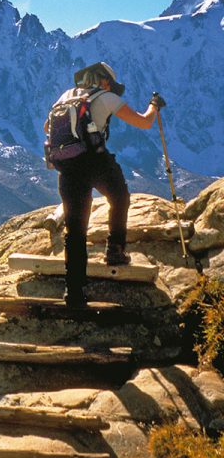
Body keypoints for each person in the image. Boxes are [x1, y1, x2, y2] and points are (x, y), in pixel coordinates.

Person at [46, 62, 165, 307]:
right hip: (95, 163)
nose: (110, 86)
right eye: (109, 83)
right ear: (104, 81)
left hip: (67, 169)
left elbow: (47, 128)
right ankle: (115, 250)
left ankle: (74, 293)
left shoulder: (64, 97)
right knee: (119, 197)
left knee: (75, 230)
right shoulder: (107, 97)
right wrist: (154, 106)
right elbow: (144, 122)